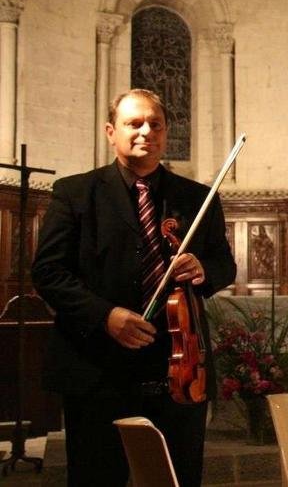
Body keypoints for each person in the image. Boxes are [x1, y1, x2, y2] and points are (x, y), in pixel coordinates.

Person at [31, 89, 236, 486]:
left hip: (178, 366)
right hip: (98, 369)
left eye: (155, 124)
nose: (146, 132)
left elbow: (224, 265)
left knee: (176, 479)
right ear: (111, 132)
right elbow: (49, 272)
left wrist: (203, 270)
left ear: (165, 133)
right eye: (134, 123)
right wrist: (105, 316)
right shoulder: (75, 193)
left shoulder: (197, 197)